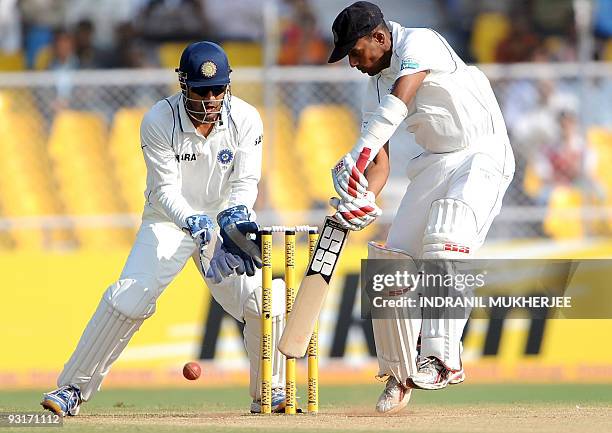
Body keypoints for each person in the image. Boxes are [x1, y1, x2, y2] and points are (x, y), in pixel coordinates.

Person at [41, 41, 289, 416]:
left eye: (218, 89)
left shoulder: (247, 117)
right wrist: (193, 222)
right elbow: (164, 189)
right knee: (128, 298)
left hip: (222, 223)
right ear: (183, 85)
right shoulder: (159, 119)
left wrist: (235, 218)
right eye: (201, 90)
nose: (210, 99)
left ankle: (269, 390)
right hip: (168, 221)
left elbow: (246, 182)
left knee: (264, 298)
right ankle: (73, 389)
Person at [327, 2, 515, 414]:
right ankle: (401, 372)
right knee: (389, 262)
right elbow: (379, 161)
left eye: (356, 53)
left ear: (380, 37)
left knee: (447, 237)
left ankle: (443, 358)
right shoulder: (375, 84)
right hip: (435, 162)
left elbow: (399, 102)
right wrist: (361, 197)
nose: (355, 64)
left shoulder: (420, 42)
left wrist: (359, 149)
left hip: (482, 154)